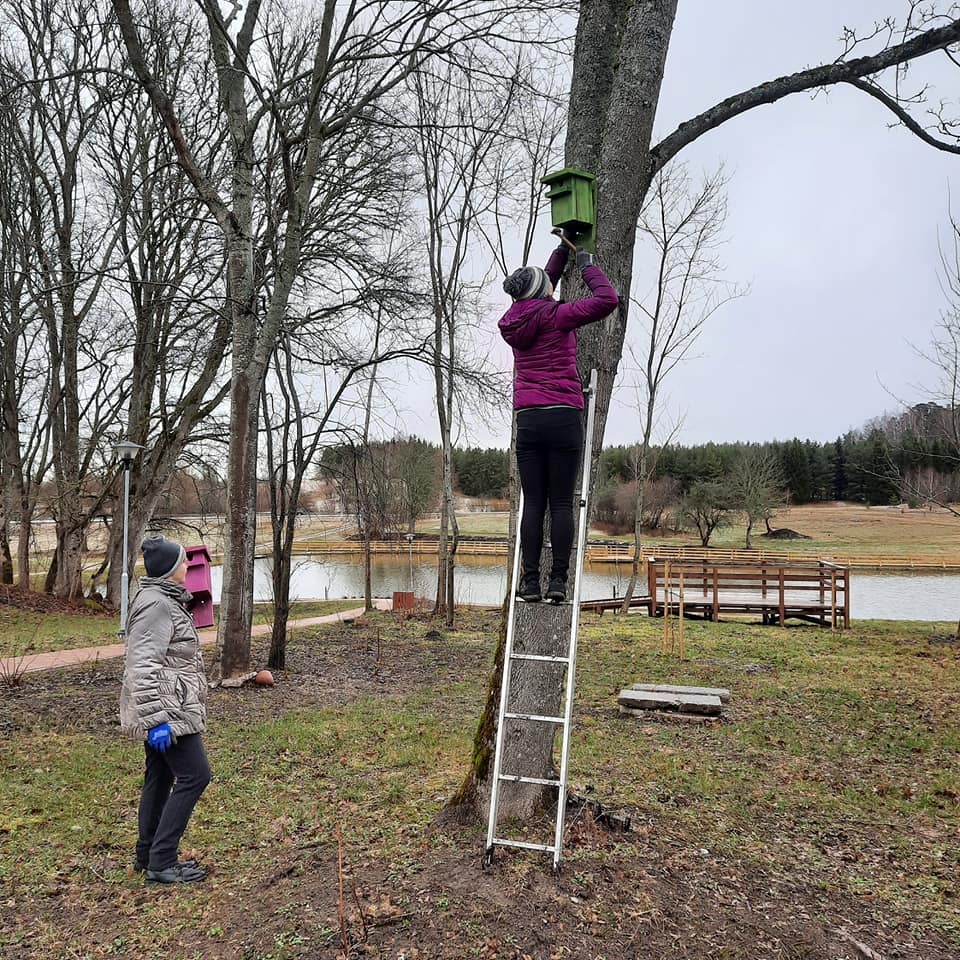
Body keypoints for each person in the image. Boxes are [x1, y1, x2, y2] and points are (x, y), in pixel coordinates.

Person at [499, 234, 618, 603]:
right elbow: (607, 300)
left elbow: (539, 288)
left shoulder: (513, 322)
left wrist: (559, 253)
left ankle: (531, 583)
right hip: (564, 416)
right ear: (543, 292)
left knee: (534, 503)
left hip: (529, 420)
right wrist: (585, 264)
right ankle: (558, 583)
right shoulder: (558, 314)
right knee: (562, 503)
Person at [120, 535, 210, 884]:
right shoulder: (157, 604)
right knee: (195, 775)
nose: (188, 566)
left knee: (161, 776)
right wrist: (157, 721)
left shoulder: (163, 600)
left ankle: (147, 854)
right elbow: (142, 667)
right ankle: (162, 860)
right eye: (183, 562)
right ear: (170, 569)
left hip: (168, 706)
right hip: (167, 711)